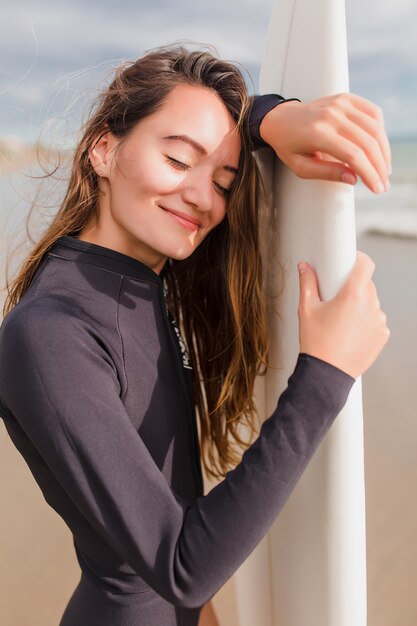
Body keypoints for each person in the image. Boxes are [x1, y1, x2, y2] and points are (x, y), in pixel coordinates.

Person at [0, 45, 390, 626]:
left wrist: (268, 120)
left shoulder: (138, 279)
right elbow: (181, 563)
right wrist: (325, 373)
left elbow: (173, 530)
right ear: (103, 150)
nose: (204, 198)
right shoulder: (51, 334)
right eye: (179, 162)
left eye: (224, 181)